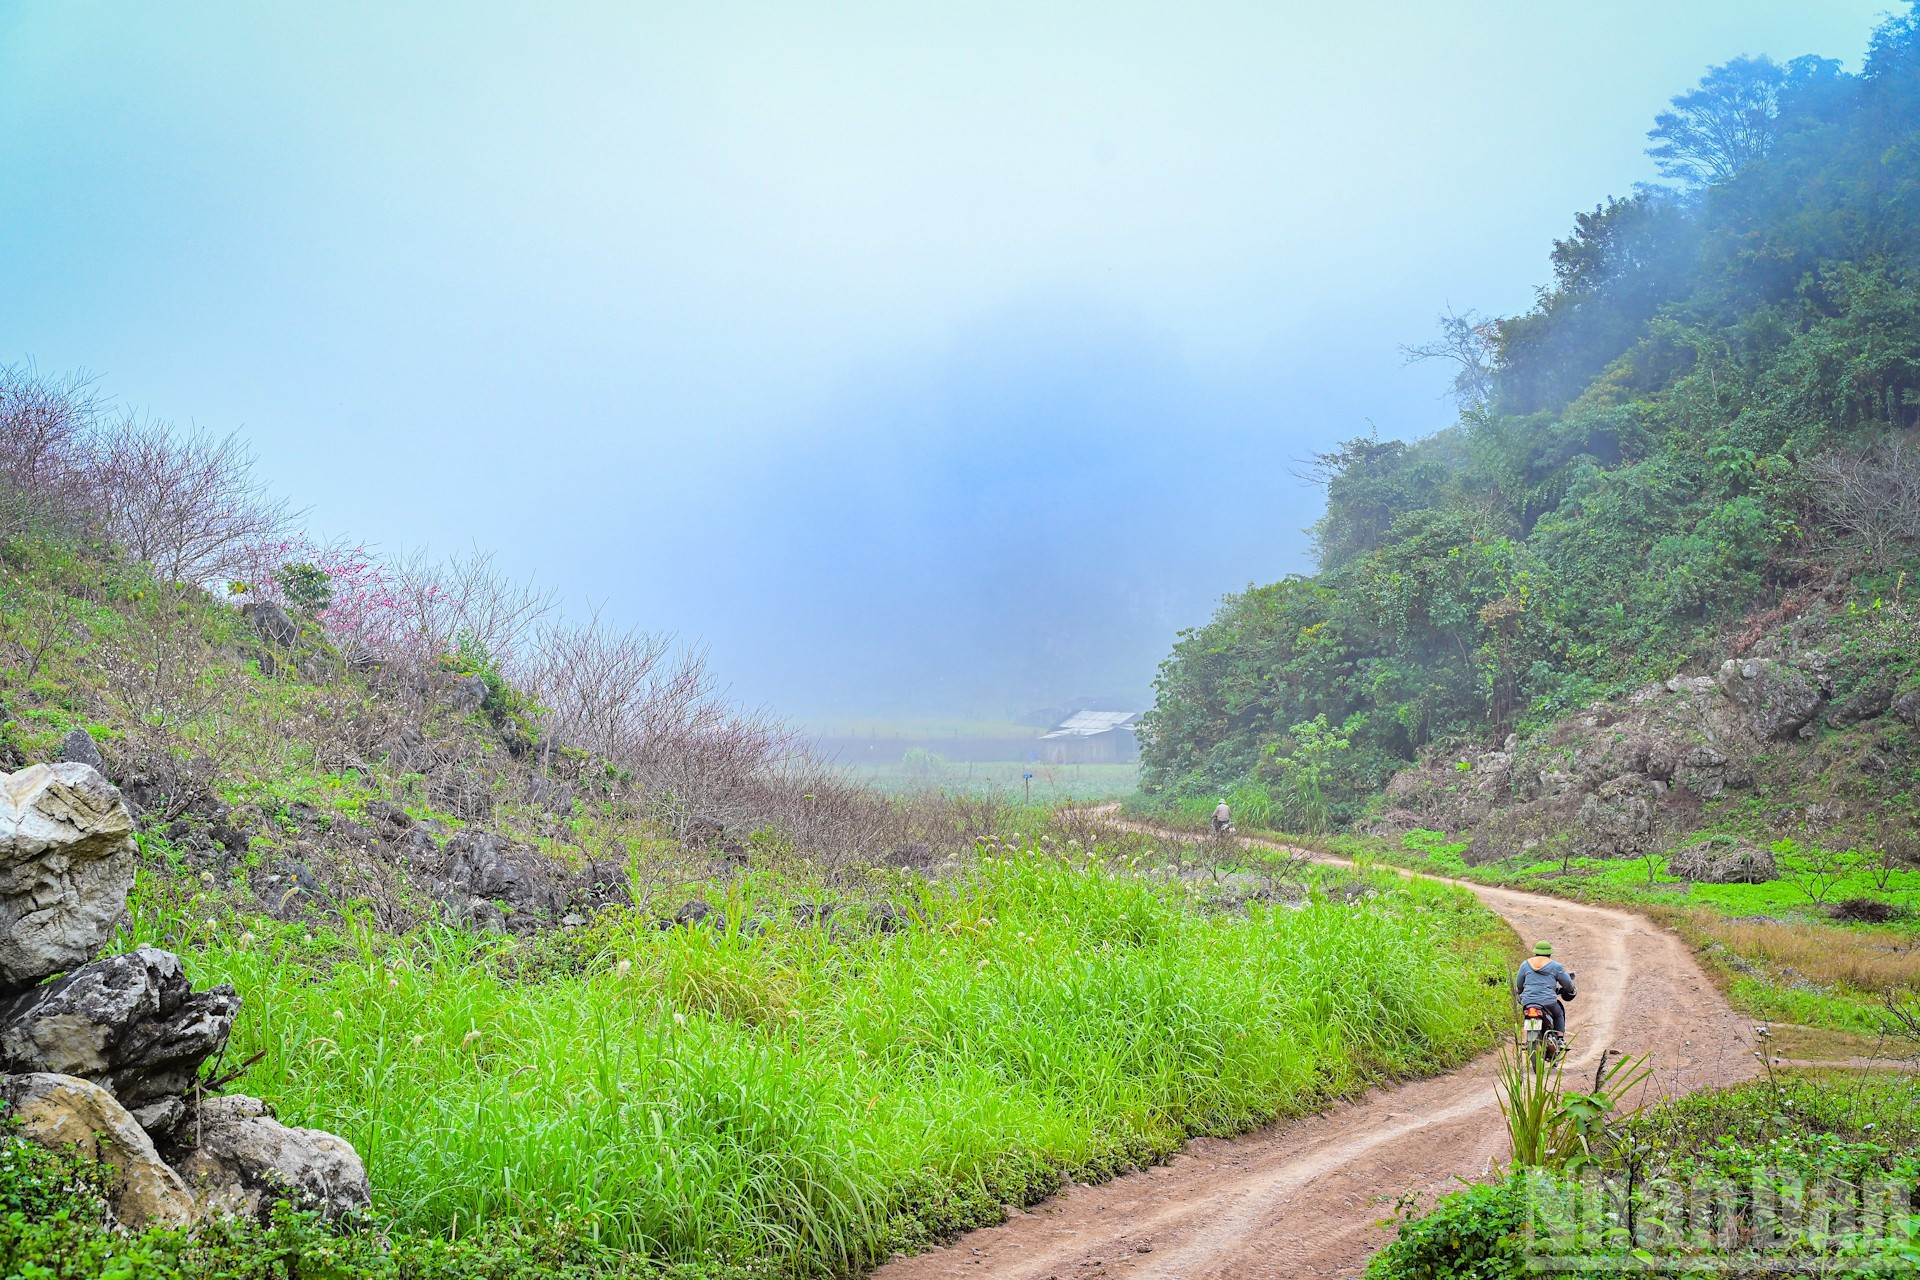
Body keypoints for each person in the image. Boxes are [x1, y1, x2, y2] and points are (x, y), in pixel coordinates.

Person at [1513, 940, 1576, 1038]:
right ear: (1550, 954)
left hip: (1528, 1002)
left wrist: (1520, 993)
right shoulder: (1555, 966)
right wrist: (1570, 990)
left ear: (1535, 952)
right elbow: (1567, 983)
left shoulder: (1525, 965)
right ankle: (1559, 1038)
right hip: (1548, 1002)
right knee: (1559, 1014)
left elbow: (1519, 985)